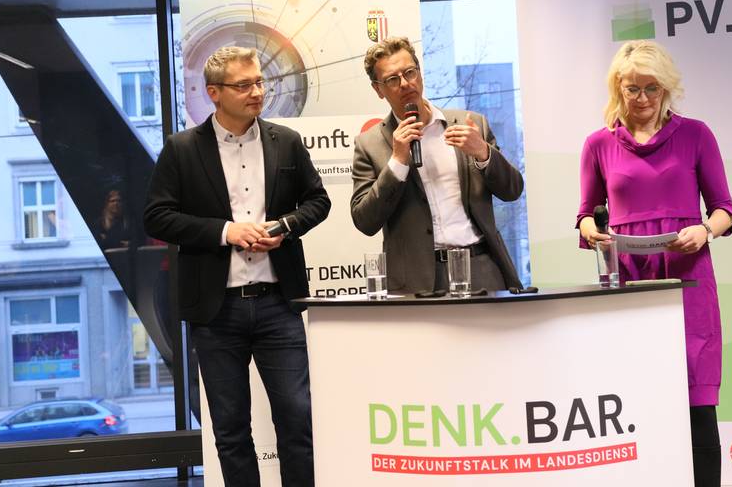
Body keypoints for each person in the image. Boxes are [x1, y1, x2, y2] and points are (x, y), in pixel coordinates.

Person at [144, 46, 330, 487]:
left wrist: (285, 226)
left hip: (278, 304)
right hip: (216, 311)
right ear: (214, 93)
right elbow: (157, 217)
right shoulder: (182, 149)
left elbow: (318, 201)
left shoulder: (286, 140)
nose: (257, 92)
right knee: (229, 431)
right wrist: (225, 231)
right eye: (244, 85)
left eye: (260, 82)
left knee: (297, 421)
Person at [576, 40, 732, 487]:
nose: (642, 98)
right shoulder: (597, 144)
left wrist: (705, 230)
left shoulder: (696, 135)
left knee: (697, 401)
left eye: (652, 88)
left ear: (666, 88)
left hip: (688, 278)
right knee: (636, 399)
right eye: (632, 88)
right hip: (629, 282)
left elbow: (724, 209)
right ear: (617, 88)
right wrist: (592, 230)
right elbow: (585, 213)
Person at [351, 36, 524, 294]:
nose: (405, 83)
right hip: (416, 281)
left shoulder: (470, 124)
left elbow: (513, 190)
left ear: (420, 73)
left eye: (410, 72)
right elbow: (365, 221)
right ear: (378, 89)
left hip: (480, 268)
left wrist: (482, 152)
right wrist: (397, 162)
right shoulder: (369, 144)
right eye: (392, 79)